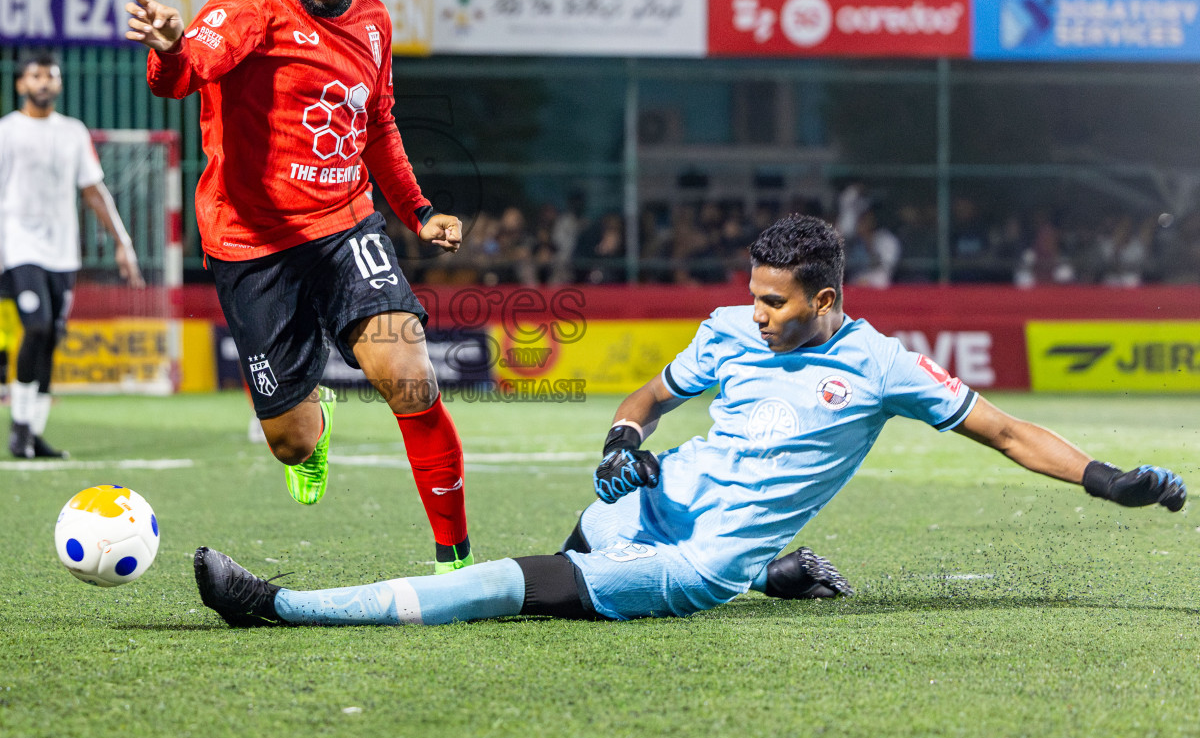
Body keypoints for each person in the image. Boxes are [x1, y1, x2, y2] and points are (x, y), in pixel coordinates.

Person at [192, 215, 1186, 628]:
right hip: (661, 498)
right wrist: (626, 438)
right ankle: (767, 567)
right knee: (588, 529)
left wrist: (1105, 478)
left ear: (828, 299)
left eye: (775, 304)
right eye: (751, 296)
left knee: (512, 584)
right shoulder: (726, 330)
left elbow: (1008, 432)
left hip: (697, 559)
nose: (754, 315)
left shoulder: (882, 366)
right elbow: (649, 399)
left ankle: (282, 606)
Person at [124, 0, 474, 572]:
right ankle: (310, 430)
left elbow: (377, 125)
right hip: (251, 243)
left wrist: (418, 210)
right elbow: (190, 68)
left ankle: (456, 560)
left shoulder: (374, 21)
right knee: (290, 441)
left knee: (412, 380)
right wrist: (168, 48)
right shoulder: (251, 8)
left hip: (347, 228)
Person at [0, 53, 145, 459]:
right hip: (18, 246)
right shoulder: (3, 133)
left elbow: (93, 190)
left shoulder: (72, 132)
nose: (43, 82)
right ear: (21, 84)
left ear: (59, 84)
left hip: (63, 251)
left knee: (51, 335)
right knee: (35, 327)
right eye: (35, 76)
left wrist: (122, 241)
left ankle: (34, 433)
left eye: (50, 75)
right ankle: (19, 425)